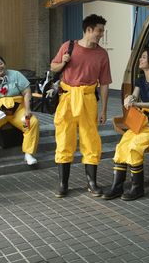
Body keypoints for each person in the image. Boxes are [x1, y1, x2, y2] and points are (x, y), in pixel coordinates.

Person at [50, 14, 112, 198]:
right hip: (67, 99)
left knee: (91, 140)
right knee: (64, 139)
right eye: (99, 30)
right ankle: (63, 184)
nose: (101, 34)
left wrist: (104, 110)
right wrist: (64, 62)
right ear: (88, 30)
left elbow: (105, 83)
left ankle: (92, 183)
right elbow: (53, 67)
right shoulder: (68, 46)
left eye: (102, 30)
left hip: (88, 100)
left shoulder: (102, 54)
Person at [103, 49, 149, 201]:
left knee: (134, 148)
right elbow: (134, 95)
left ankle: (137, 188)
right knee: (121, 146)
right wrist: (129, 99)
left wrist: (138, 103)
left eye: (144, 57)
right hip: (140, 123)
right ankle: (117, 187)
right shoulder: (141, 79)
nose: (140, 60)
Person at [0, 55, 39, 170]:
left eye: (1, 63)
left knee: (31, 122)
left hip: (17, 111)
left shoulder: (16, 75)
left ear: (5, 64)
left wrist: (28, 109)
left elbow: (27, 91)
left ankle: (28, 154)